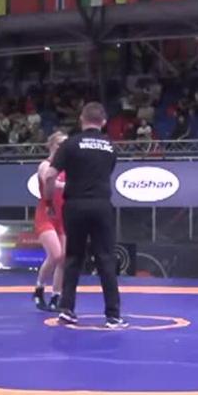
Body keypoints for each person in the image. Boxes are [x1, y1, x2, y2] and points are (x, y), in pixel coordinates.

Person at [42, 101, 125, 328]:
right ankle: (113, 315)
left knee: (73, 258)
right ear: (104, 122)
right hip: (101, 205)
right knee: (106, 259)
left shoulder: (70, 144)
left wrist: (48, 201)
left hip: (75, 205)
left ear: (81, 119)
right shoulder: (110, 146)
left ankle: (67, 310)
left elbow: (49, 175)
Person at [33, 132, 69, 311]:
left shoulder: (69, 168)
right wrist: (68, 185)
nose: (62, 147)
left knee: (63, 259)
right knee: (55, 255)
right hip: (47, 214)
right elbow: (48, 180)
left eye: (65, 144)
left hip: (63, 216)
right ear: (51, 145)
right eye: (59, 144)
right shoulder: (45, 165)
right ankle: (39, 289)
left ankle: (56, 296)